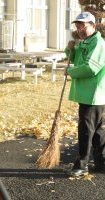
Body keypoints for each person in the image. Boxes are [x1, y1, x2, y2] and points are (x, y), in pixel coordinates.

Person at [65, 11, 105, 177]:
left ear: (93, 26)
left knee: (86, 131)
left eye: (84, 25)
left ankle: (82, 165)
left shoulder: (98, 43)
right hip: (89, 94)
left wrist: (71, 72)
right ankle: (102, 163)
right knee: (97, 132)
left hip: (93, 94)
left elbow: (91, 68)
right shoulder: (86, 42)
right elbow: (77, 60)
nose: (80, 28)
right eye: (78, 25)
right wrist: (70, 51)